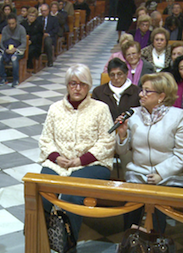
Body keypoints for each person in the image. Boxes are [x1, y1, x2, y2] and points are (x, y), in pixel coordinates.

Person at [39, 63, 115, 245]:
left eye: (82, 84)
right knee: (40, 192)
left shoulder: (100, 108)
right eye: (73, 83)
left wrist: (80, 160)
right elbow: (45, 140)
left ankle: (67, 244)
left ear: (89, 86)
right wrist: (56, 157)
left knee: (72, 195)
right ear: (67, 85)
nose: (77, 88)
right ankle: (39, 239)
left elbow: (107, 141)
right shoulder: (55, 108)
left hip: (92, 165)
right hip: (58, 163)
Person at [116, 72, 183, 233]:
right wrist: (122, 135)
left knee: (158, 211)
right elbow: (122, 151)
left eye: (147, 91)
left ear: (161, 96)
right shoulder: (133, 114)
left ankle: (156, 245)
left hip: (169, 175)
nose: (141, 95)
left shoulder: (177, 116)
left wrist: (160, 173)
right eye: (141, 90)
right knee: (130, 210)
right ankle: (129, 244)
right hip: (138, 173)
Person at [0, 14, 27, 87]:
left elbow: (24, 43)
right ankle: (3, 78)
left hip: (17, 50)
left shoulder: (21, 29)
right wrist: (5, 50)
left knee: (14, 58)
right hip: (7, 49)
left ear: (16, 22)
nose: (11, 25)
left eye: (13, 23)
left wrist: (15, 49)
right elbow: (1, 43)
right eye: (9, 24)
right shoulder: (5, 29)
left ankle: (16, 79)